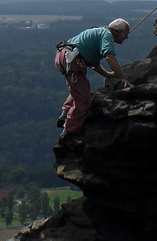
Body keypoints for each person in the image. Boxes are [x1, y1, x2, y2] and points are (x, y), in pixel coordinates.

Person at [55, 18, 133, 146]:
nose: (126, 38)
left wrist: (107, 74)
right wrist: (123, 78)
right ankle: (68, 135)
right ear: (118, 32)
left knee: (80, 87)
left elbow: (94, 64)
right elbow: (109, 56)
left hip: (65, 56)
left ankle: (65, 114)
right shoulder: (107, 35)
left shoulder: (99, 32)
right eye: (125, 34)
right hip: (72, 60)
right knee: (84, 100)